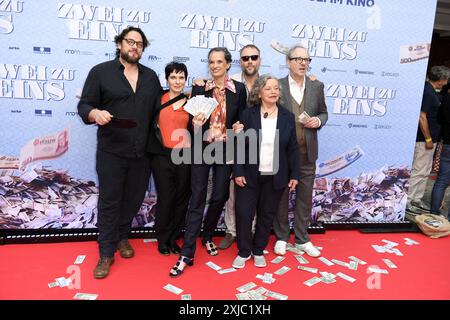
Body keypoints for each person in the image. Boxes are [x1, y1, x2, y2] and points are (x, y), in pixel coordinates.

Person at [77, 27, 162, 279]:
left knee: (134, 198)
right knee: (110, 200)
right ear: (119, 44)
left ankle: (123, 235)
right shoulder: (101, 72)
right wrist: (95, 114)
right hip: (111, 150)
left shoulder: (151, 77)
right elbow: (84, 105)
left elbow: (161, 108)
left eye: (139, 44)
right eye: (130, 42)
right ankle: (106, 252)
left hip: (142, 152)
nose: (134, 47)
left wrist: (194, 94)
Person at [169, 47, 247, 277]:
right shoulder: (199, 87)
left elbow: (242, 118)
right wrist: (198, 122)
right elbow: (192, 122)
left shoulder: (239, 89)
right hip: (202, 149)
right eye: (211, 62)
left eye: (219, 62)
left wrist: (240, 127)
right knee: (197, 197)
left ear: (228, 64)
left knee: (220, 195)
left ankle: (207, 235)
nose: (214, 66)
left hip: (227, 148)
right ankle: (187, 253)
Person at [232, 75, 299, 269]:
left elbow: (292, 148)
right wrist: (238, 171)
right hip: (249, 174)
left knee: (266, 214)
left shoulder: (288, 116)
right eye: (268, 88)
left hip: (275, 176)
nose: (273, 91)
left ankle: (258, 250)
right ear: (259, 92)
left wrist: (294, 174)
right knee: (244, 214)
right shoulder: (247, 115)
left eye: (276, 88)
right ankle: (244, 251)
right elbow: (239, 147)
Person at [273, 44, 328, 258]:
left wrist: (318, 120)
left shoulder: (317, 86)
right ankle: (281, 237)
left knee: (305, 197)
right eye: (298, 59)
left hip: (307, 153)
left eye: (307, 59)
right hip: (283, 154)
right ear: (288, 62)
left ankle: (303, 238)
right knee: (281, 197)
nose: (303, 63)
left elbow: (324, 112)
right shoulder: (276, 85)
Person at [219, 44, 261, 250]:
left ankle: (251, 230)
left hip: (259, 145)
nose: (250, 61)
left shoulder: (268, 82)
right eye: (245, 58)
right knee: (233, 188)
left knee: (255, 188)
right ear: (240, 61)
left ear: (259, 59)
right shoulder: (231, 81)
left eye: (254, 57)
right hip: (233, 143)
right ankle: (231, 230)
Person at [147, 62, 191, 255]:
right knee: (166, 198)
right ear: (167, 79)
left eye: (181, 77)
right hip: (162, 156)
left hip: (184, 156)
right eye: (173, 77)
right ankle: (162, 239)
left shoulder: (192, 102)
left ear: (185, 79)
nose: (177, 81)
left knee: (181, 199)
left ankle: (174, 238)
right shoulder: (158, 98)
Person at [407, 66, 450, 214]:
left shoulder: (431, 91)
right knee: (419, 170)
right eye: (446, 79)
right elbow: (421, 116)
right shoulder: (427, 92)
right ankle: (408, 201)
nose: (446, 83)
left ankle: (416, 200)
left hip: (430, 139)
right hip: (424, 140)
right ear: (441, 79)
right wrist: (428, 138)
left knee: (425, 171)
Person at [431, 92, 450, 219]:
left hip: (448, 142)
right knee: (441, 181)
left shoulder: (447, 97)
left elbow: (439, 119)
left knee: (441, 180)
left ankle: (433, 213)